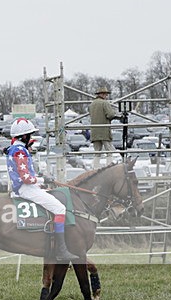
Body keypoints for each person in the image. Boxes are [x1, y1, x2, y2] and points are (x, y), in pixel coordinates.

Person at [7, 118, 78, 261]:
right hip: (26, 188)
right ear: (25, 136)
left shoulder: (16, 148)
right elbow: (26, 178)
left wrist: (40, 181)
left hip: (26, 187)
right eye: (30, 135)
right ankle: (61, 250)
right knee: (59, 208)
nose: (31, 138)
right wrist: (43, 180)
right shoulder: (20, 151)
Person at [89, 86, 120, 169]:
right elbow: (110, 114)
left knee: (97, 152)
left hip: (94, 131)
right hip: (104, 131)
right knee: (109, 151)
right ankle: (109, 167)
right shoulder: (104, 103)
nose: (106, 96)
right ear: (103, 94)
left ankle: (95, 168)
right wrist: (115, 114)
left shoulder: (92, 104)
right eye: (106, 95)